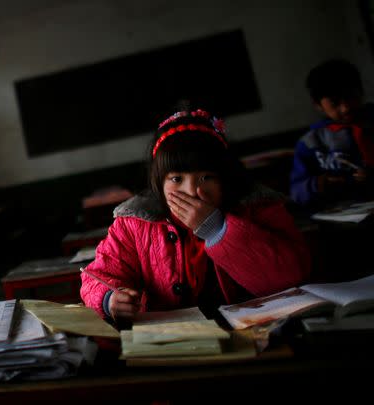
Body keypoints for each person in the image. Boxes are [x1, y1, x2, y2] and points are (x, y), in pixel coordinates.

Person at [80, 106, 311, 324]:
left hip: (254, 331)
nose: (192, 191)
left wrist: (216, 228)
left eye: (206, 178)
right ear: (159, 184)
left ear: (225, 177)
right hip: (172, 341)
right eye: (176, 179)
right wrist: (109, 299)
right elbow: (97, 275)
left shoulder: (258, 208)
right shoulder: (134, 223)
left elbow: (290, 276)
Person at [290, 58, 374, 209]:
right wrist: (318, 184)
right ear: (318, 105)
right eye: (335, 103)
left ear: (361, 90)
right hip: (346, 218)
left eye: (350, 96)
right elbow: (297, 193)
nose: (345, 108)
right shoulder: (311, 142)